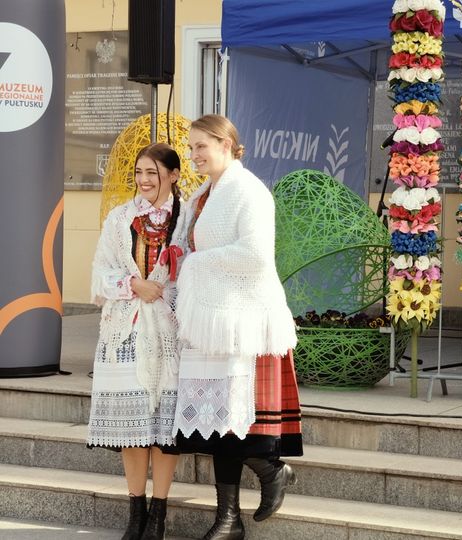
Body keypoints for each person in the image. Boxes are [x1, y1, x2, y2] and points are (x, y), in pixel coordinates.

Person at [168, 115, 303, 540]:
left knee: (232, 423)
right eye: (191, 147)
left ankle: (263, 478)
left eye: (201, 146)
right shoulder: (202, 195)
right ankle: (232, 515)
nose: (193, 155)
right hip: (211, 321)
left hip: (243, 319)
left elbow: (256, 254)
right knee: (215, 423)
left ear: (226, 144)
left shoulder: (249, 191)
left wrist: (196, 263)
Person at [87, 142, 184, 540]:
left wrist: (166, 293)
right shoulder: (120, 218)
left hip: (171, 333)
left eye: (152, 173)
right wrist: (133, 284)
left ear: (173, 175)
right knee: (132, 427)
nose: (144, 180)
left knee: (165, 428)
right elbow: (99, 273)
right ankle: (136, 512)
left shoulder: (187, 220)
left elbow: (196, 273)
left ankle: (158, 514)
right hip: (124, 332)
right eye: (139, 172)